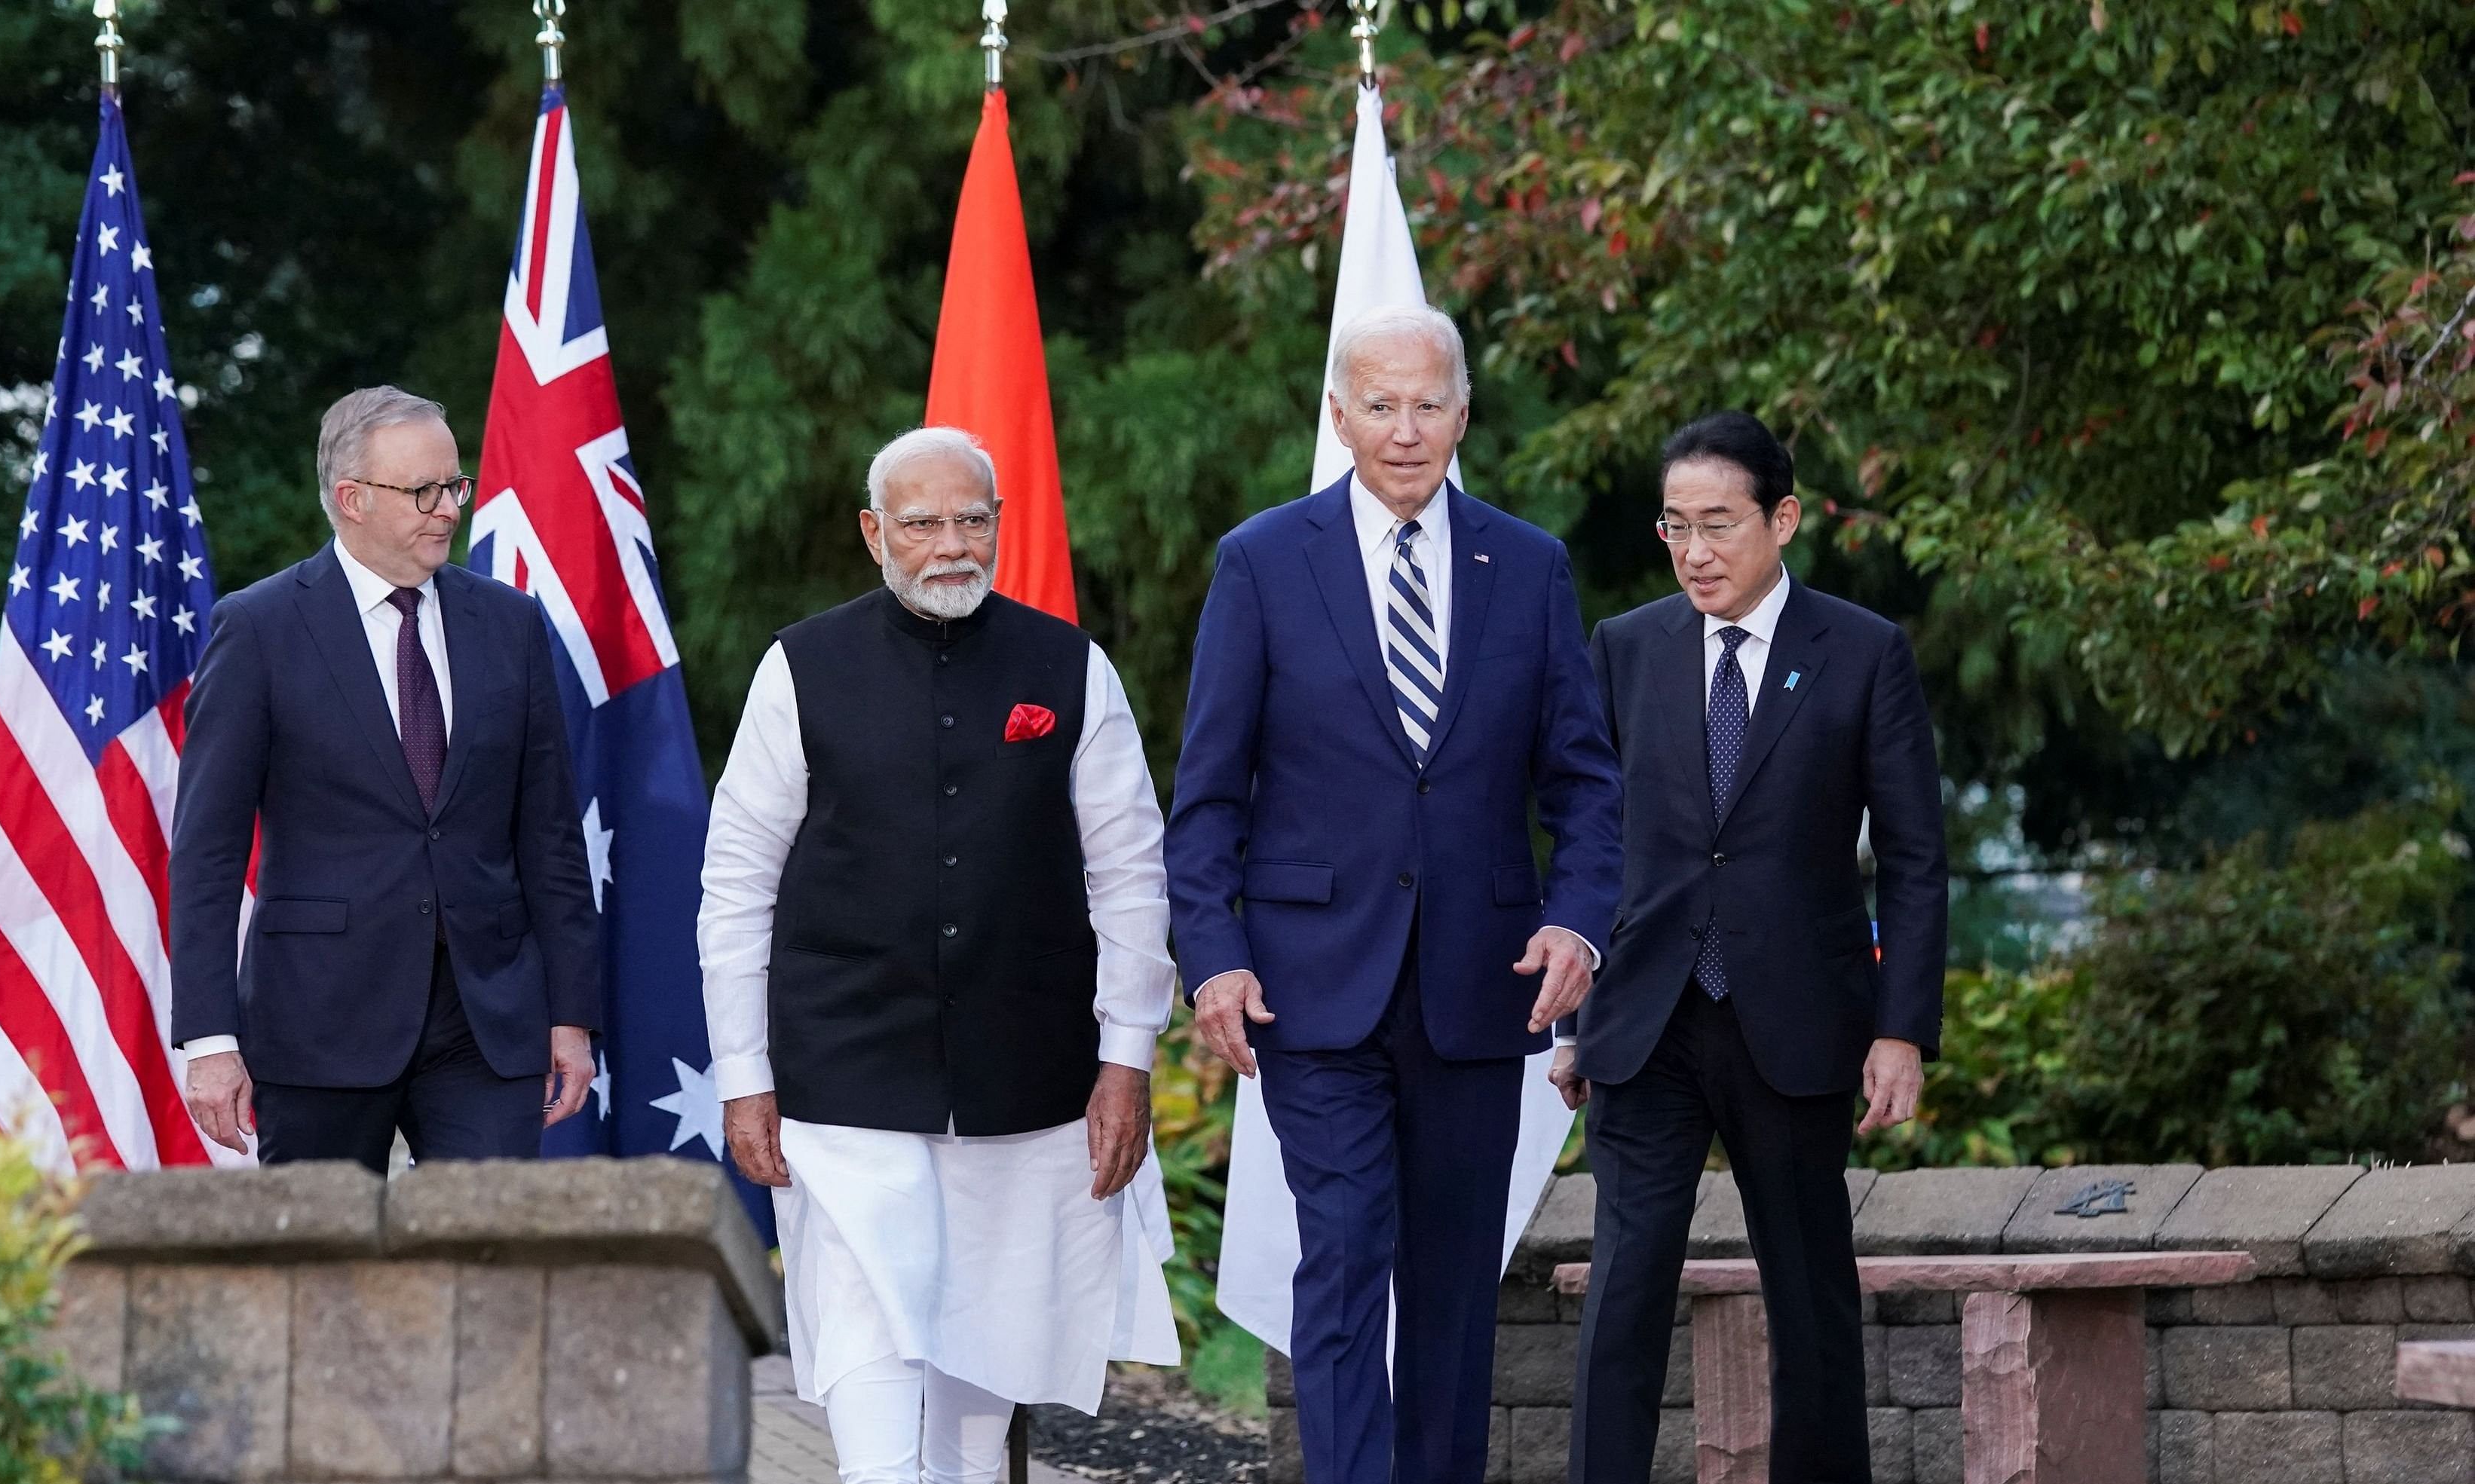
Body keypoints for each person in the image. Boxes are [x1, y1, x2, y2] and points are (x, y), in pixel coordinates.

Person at [1169, 305, 1625, 1484]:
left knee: (1454, 1291)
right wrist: (1212, 959)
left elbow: (1584, 782)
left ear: (1462, 414)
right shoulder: (1263, 562)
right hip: (1311, 995)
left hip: (1483, 993)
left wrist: (1577, 920)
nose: (1407, 429)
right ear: (1339, 413)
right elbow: (1209, 796)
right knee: (1341, 1263)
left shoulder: (1528, 567)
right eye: (1381, 403)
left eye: (1429, 404)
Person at [700, 427, 1178, 1484]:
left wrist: (1129, 1055)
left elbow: (1131, 875)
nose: (949, 543)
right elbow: (737, 883)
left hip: (1031, 1076)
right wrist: (744, 1075)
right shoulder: (800, 666)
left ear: (1000, 526)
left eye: (971, 518)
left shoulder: (1070, 667)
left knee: (984, 1361)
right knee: (870, 1336)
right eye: (921, 522)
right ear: (876, 534)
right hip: (842, 1069)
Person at [1554, 410, 1947, 1484]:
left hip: (1798, 1022)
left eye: (1718, 525)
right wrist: (1578, 1014)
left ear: (1784, 520)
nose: (1694, 552)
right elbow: (1598, 841)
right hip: (1646, 1023)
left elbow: (1914, 857)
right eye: (1674, 526)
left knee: (1810, 1296)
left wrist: (1902, 1028)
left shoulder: (1865, 652)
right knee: (1625, 1292)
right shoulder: (1625, 648)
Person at [170, 386, 600, 1169]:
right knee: (318, 1275)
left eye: (455, 485)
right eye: (423, 490)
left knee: (483, 1259)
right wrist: (209, 1040)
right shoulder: (260, 628)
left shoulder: (509, 625)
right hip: (318, 1018)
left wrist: (571, 1015)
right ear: (351, 499)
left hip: (484, 1017)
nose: (448, 508)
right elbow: (206, 850)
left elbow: (550, 837)